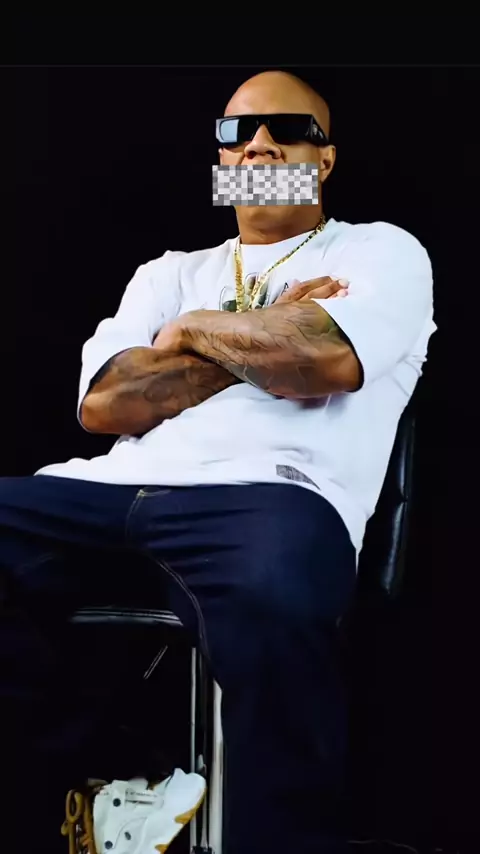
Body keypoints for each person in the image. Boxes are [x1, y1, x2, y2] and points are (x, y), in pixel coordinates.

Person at [1, 70, 435, 854]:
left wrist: (188, 333)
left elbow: (324, 359)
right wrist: (264, 329)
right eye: (238, 134)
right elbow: (108, 405)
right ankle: (118, 777)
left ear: (325, 158)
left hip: (271, 494)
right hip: (109, 490)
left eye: (287, 129)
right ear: (222, 158)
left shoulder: (380, 252)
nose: (259, 145)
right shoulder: (166, 272)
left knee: (275, 599)